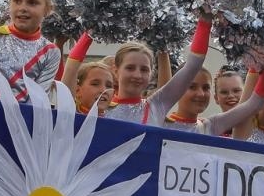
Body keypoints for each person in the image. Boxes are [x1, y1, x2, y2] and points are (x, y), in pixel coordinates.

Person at [62, 15, 214, 127]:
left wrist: (204, 23)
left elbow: (193, 66)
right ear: (116, 70)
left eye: (144, 70)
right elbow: (70, 73)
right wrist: (89, 33)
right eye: (130, 68)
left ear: (151, 74)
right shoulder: (98, 106)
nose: (137, 75)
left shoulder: (156, 106)